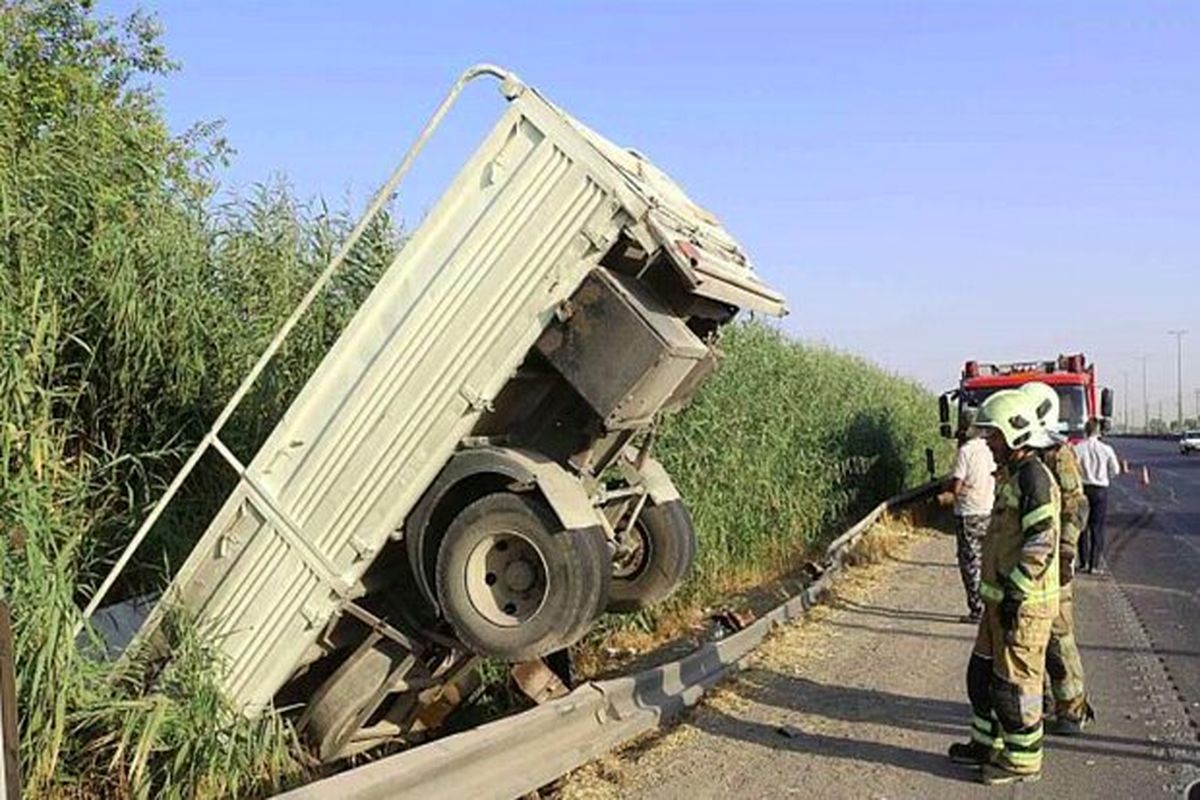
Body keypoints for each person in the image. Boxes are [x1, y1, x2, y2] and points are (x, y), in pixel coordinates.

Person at [948, 390, 1060, 785]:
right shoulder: (1013, 474)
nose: (989, 444)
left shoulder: (1034, 477)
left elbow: (1042, 542)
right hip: (999, 604)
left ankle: (1022, 761)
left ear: (1016, 433)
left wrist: (1014, 593)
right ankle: (985, 744)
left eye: (994, 436)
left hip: (1022, 606)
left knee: (1015, 688)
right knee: (981, 678)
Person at [1020, 382, 1095, 735]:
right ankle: (1039, 705)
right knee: (1029, 641)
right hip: (1030, 563)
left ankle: (1072, 708)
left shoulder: (1057, 453)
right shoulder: (1025, 455)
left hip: (1053, 566)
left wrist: (1066, 552)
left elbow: (1076, 505)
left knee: (1058, 639)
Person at [944, 409, 996, 624]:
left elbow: (957, 485)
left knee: (970, 563)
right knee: (986, 560)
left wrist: (949, 492)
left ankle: (977, 610)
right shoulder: (989, 449)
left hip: (968, 512)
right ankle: (991, 607)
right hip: (988, 508)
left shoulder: (966, 451)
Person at [1074, 418, 1121, 574]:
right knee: (1097, 527)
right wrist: (1104, 475)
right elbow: (1115, 470)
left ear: (1085, 431)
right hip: (1100, 490)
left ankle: (1082, 562)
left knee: (1082, 527)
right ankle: (1094, 565)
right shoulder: (1106, 449)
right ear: (1099, 431)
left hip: (1083, 489)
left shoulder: (1077, 448)